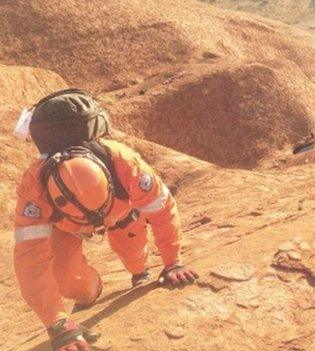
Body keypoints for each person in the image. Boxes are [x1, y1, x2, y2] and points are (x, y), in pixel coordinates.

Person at [13, 89, 198, 351]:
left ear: (108, 181)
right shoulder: (35, 189)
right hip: (65, 227)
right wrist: (57, 323)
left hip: (120, 215)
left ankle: (139, 271)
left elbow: (162, 210)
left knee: (134, 256)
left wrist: (173, 262)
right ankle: (93, 289)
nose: (92, 221)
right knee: (70, 283)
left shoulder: (125, 163)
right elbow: (30, 260)